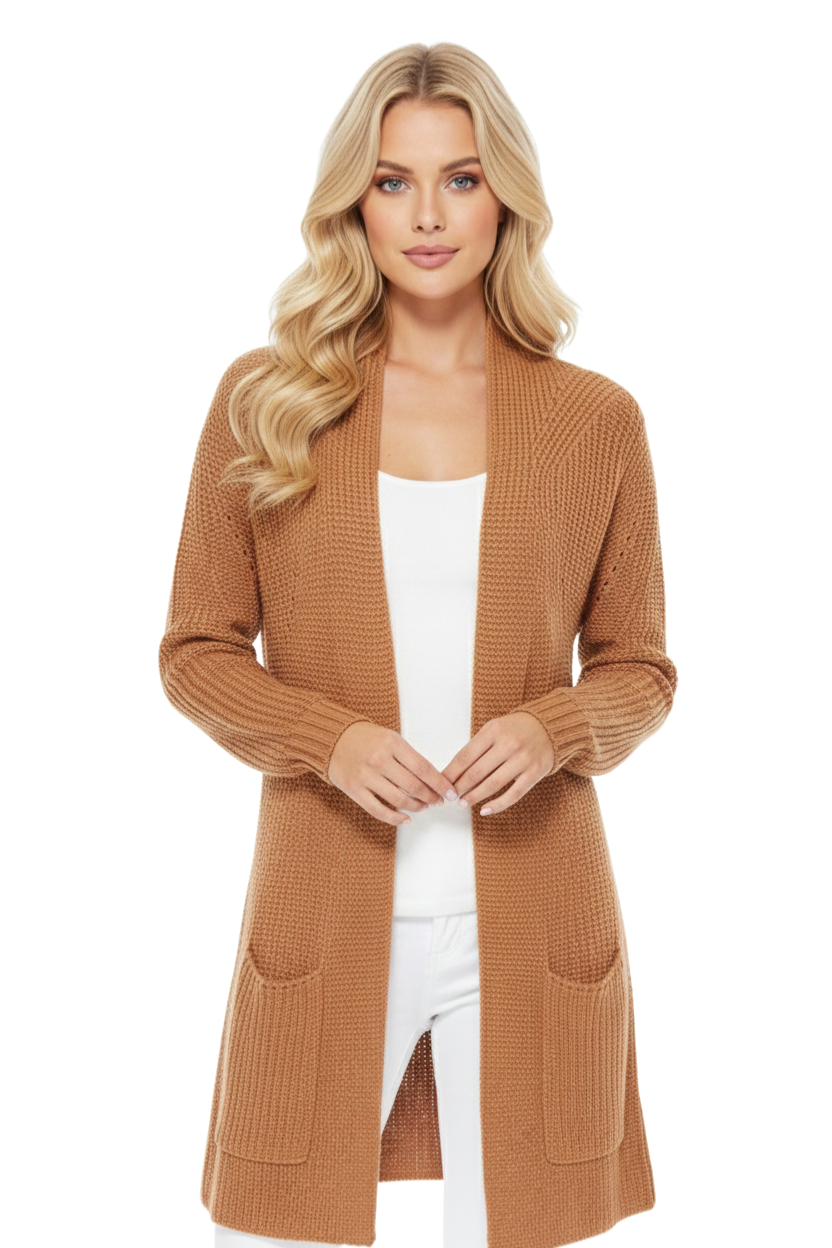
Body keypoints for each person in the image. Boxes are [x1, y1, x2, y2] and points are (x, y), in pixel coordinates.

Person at [159, 42, 678, 1248]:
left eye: (461, 179)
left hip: (535, 920)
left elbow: (641, 667)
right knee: (280, 1224)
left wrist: (555, 726)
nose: (428, 216)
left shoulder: (594, 420)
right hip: (326, 913)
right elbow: (194, 648)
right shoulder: (267, 402)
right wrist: (325, 739)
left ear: (507, 198)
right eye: (393, 182)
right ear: (354, 202)